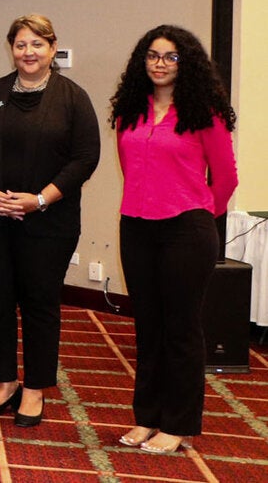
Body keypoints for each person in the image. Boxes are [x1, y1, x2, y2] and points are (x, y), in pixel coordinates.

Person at [0, 15, 100, 427]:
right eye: (21, 45)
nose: (28, 52)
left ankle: (35, 388)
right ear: (11, 49)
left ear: (52, 48)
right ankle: (3, 383)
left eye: (37, 44)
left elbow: (85, 159)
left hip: (48, 223)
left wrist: (39, 200)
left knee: (39, 304)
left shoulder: (72, 98)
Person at [110, 25, 237, 454]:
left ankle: (178, 423)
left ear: (187, 64)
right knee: (148, 328)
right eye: (152, 55)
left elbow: (226, 178)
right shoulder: (130, 110)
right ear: (141, 62)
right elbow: (131, 168)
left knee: (181, 329)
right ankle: (147, 417)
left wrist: (199, 213)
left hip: (187, 229)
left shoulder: (204, 112)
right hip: (137, 227)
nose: (160, 64)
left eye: (170, 57)